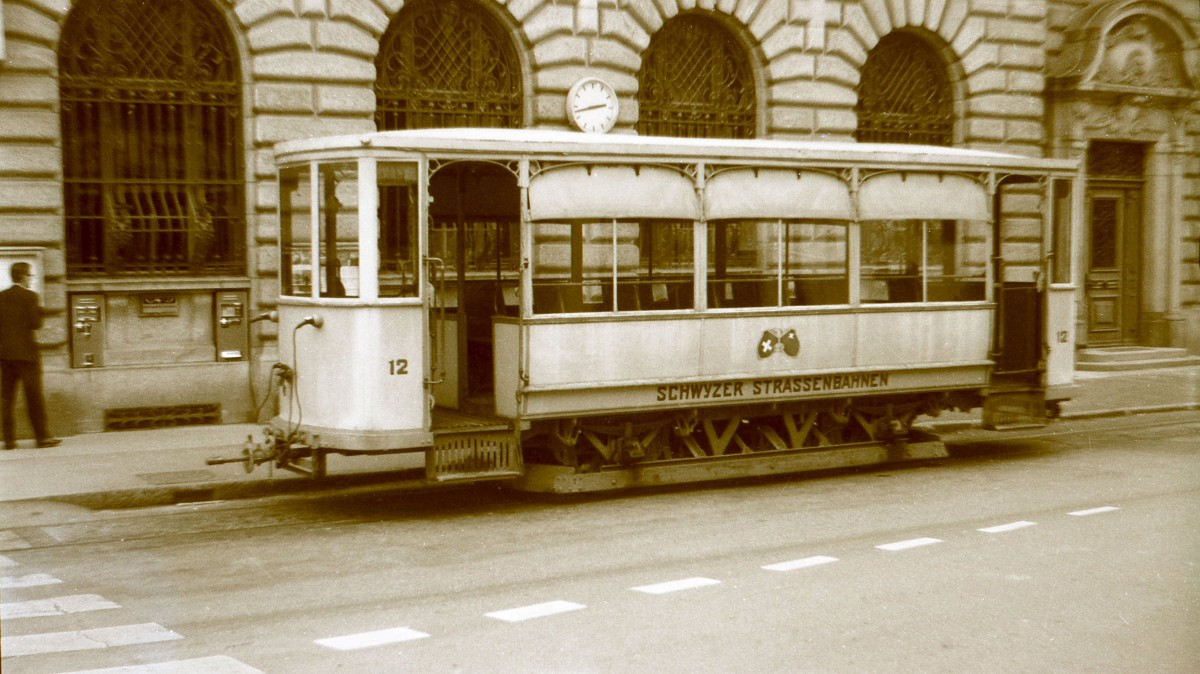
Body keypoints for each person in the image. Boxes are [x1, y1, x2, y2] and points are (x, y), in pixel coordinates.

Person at [0, 262, 60, 449]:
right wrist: (40, 311)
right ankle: (42, 437)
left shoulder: (1, 296)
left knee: (7, 398)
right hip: (27, 355)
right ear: (23, 276)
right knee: (34, 396)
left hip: (6, 356)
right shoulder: (31, 296)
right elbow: (35, 324)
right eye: (30, 276)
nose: (31, 279)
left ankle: (9, 440)